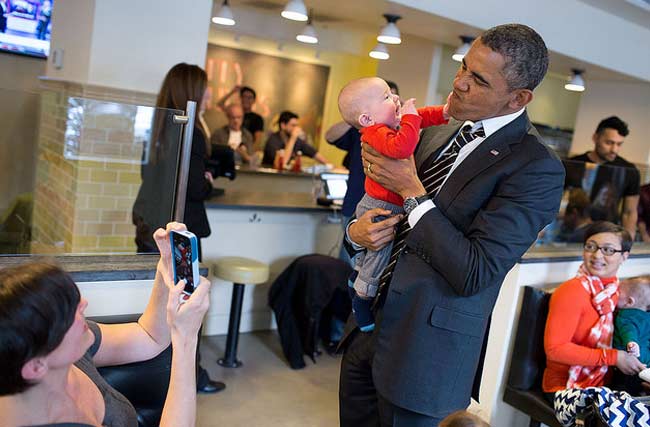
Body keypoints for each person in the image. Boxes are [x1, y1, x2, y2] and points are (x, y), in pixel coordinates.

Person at [339, 23, 565, 426]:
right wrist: (356, 234)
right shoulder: (432, 129)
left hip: (425, 360)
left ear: (519, 97)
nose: (458, 83)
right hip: (367, 331)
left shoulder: (536, 167)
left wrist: (412, 190)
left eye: (477, 79)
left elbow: (475, 270)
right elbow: (379, 207)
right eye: (463, 67)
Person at [0, 222, 210, 427]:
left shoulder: (76, 350)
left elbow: (149, 336)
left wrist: (166, 269)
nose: (83, 304)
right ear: (35, 366)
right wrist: (186, 340)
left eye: (74, 299)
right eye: (67, 313)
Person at [132, 62, 224, 394]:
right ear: (193, 91)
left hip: (149, 222)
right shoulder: (192, 131)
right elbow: (196, 189)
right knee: (186, 304)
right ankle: (192, 375)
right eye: (206, 86)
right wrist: (209, 182)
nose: (210, 92)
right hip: (179, 231)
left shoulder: (159, 124)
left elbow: (149, 177)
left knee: (157, 304)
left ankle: (160, 374)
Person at [337, 76, 448, 332]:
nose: (395, 98)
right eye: (386, 97)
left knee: (374, 252)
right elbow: (402, 147)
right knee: (379, 254)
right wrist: (409, 117)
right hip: (380, 205)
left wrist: (444, 112)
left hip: (385, 202)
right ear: (366, 119)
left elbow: (422, 116)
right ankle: (362, 299)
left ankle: (358, 278)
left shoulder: (387, 125)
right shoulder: (375, 133)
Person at [543, 222, 644, 401]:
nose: (597, 255)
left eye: (608, 250)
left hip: (604, 382)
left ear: (624, 256)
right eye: (591, 247)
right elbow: (555, 349)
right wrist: (614, 357)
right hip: (565, 387)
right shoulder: (571, 291)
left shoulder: (615, 292)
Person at [325, 81, 400, 264]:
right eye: (386, 97)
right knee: (347, 263)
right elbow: (330, 136)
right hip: (355, 206)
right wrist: (358, 113)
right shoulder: (363, 130)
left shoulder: (399, 134)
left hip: (386, 212)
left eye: (392, 96)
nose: (394, 100)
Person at [565, 116, 640, 238]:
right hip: (570, 233)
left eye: (619, 144)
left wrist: (628, 243)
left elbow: (629, 212)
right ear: (595, 138)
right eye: (609, 143)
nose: (614, 150)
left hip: (608, 235)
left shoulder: (629, 170)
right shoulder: (572, 164)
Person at [261, 111, 329, 168]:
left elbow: (316, 155)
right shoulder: (273, 140)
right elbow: (282, 163)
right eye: (293, 125)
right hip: (269, 178)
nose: (296, 128)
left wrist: (331, 166)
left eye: (297, 125)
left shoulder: (297, 141)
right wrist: (293, 138)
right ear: (283, 125)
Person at [614, 275, 650, 364]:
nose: (614, 295)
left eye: (618, 292)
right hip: (646, 355)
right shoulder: (647, 317)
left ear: (629, 302)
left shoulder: (625, 315)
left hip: (632, 359)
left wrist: (631, 342)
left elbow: (628, 330)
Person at [217, 85, 265, 150]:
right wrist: (232, 92)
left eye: (249, 97)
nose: (246, 100)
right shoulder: (235, 112)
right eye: (244, 97)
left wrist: (249, 154)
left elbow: (257, 141)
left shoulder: (257, 119)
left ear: (254, 100)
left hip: (246, 151)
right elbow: (220, 104)